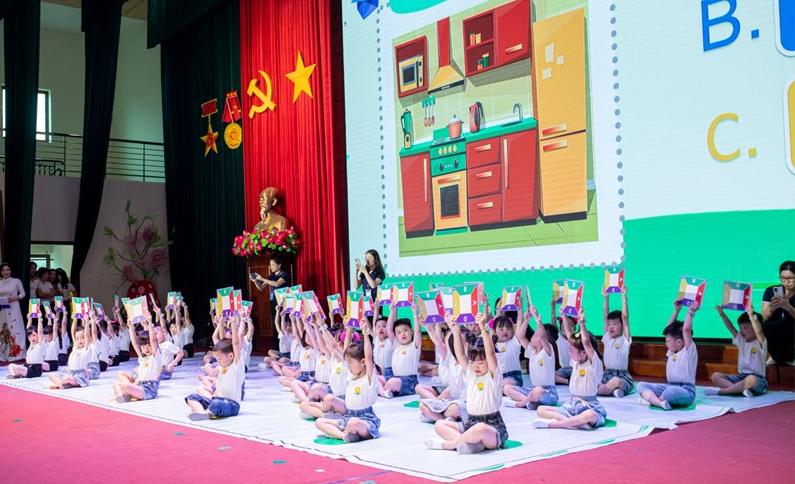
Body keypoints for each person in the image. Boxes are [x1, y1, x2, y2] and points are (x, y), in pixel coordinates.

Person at [426, 313, 509, 454]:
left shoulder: (493, 376)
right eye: (472, 362)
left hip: (491, 427)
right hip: (471, 422)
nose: (476, 366)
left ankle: (449, 445)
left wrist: (482, 328)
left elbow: (490, 354)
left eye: (480, 362)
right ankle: (472, 444)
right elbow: (460, 354)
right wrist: (455, 330)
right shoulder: (470, 374)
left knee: (480, 429)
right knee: (440, 424)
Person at [533, 309, 608, 430]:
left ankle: (554, 424)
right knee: (541, 409)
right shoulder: (576, 362)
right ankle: (575, 422)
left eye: (572, 350)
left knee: (590, 415)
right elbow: (569, 336)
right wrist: (563, 316)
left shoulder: (593, 364)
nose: (569, 352)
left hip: (589, 406)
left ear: (584, 352)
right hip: (572, 405)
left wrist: (582, 322)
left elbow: (586, 342)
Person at [314, 320, 381, 443]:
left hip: (366, 419)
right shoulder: (350, 376)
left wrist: (365, 334)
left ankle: (344, 431)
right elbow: (338, 348)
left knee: (354, 423)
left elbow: (369, 357)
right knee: (319, 422)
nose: (348, 365)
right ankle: (344, 435)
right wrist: (323, 326)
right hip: (349, 416)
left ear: (363, 362)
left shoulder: (369, 377)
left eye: (350, 362)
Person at [636, 302, 700, 410]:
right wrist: (676, 310)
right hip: (670, 386)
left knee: (671, 392)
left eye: (668, 341)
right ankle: (660, 402)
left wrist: (691, 311)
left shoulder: (688, 351)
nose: (666, 343)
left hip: (686, 391)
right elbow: (667, 329)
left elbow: (686, 330)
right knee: (641, 385)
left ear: (679, 342)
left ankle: (652, 400)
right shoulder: (672, 351)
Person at [185, 316, 246, 420]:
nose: (218, 361)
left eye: (219, 359)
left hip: (231, 405)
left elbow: (235, 344)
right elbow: (221, 339)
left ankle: (206, 412)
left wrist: (234, 325)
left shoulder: (236, 366)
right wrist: (220, 323)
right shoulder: (221, 367)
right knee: (192, 397)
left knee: (216, 404)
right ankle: (203, 413)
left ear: (231, 356)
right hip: (217, 400)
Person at [504, 306, 559, 409]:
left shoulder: (548, 350)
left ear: (540, 339)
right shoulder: (532, 351)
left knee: (538, 391)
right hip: (533, 390)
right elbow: (520, 336)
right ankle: (529, 401)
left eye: (535, 334)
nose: (532, 336)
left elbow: (543, 336)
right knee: (507, 388)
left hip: (548, 392)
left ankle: (521, 403)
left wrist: (536, 317)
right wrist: (526, 320)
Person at [711, 304, 768, 397]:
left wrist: (751, 316)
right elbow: (731, 327)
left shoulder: (760, 342)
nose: (742, 331)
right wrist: (722, 314)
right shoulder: (741, 340)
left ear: (754, 327)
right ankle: (739, 390)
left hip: (757, 379)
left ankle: (724, 391)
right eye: (740, 328)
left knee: (752, 379)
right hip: (740, 377)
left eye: (745, 328)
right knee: (715, 376)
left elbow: (759, 331)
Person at [113, 315, 161, 402]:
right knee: (119, 376)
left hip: (148, 390)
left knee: (124, 386)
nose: (146, 348)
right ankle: (125, 395)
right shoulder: (143, 357)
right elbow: (135, 343)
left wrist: (150, 324)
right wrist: (131, 327)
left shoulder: (155, 357)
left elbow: (153, 340)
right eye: (143, 346)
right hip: (140, 385)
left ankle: (125, 394)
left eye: (149, 345)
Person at [597, 286, 633, 397]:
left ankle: (609, 389)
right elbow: (605, 316)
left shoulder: (624, 339)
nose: (611, 327)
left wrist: (623, 297)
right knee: (593, 383)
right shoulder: (607, 337)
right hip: (607, 374)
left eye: (615, 324)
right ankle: (612, 391)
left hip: (622, 375)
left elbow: (625, 318)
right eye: (609, 324)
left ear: (622, 325)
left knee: (617, 382)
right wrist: (606, 297)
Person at [382, 304, 422, 397]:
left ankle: (384, 391)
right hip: (396, 377)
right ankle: (385, 392)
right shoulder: (396, 345)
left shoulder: (414, 346)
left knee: (393, 382)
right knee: (378, 378)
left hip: (409, 381)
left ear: (411, 331)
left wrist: (415, 313)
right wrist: (392, 311)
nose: (402, 334)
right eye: (399, 332)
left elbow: (418, 331)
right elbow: (389, 329)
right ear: (396, 335)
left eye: (405, 330)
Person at [762, 260, 795, 366]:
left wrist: (788, 307)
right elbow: (764, 317)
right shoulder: (771, 291)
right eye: (783, 278)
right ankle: (777, 356)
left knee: (785, 327)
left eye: (790, 278)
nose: (786, 282)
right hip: (774, 328)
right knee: (764, 326)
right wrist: (772, 308)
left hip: (792, 326)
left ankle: (781, 357)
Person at [48, 321, 91, 389]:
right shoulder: (75, 348)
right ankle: (62, 384)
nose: (80, 340)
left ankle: (57, 384)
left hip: (79, 376)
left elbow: (87, 335)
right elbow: (72, 331)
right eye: (77, 338)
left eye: (82, 338)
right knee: (51, 375)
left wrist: (87, 323)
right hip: (70, 373)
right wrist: (74, 318)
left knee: (67, 378)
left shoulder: (85, 349)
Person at [0, 263, 27, 361]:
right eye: (3, 270)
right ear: (1, 272)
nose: (6, 272)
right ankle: (4, 354)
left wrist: (16, 297)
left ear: (10, 271)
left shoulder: (16, 281)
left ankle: (17, 354)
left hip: (14, 307)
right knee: (4, 330)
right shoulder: (0, 282)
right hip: (3, 309)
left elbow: (23, 293)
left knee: (15, 328)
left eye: (8, 270)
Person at [251, 255, 290, 323]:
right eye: (270, 265)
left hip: (283, 302)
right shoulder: (271, 276)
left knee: (284, 321)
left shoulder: (284, 274)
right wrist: (255, 281)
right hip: (273, 301)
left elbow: (277, 284)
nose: (271, 267)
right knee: (275, 321)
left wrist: (262, 278)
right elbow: (261, 288)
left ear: (279, 265)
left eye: (273, 265)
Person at [7, 314, 45, 378]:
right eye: (30, 336)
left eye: (34, 335)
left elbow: (40, 332)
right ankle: (15, 376)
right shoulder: (31, 344)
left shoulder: (39, 344)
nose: (32, 338)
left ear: (38, 335)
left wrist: (40, 319)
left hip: (35, 370)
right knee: (10, 366)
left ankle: (15, 376)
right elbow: (28, 330)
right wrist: (29, 319)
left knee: (14, 366)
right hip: (28, 367)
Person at [493, 314, 524, 388]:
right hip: (499, 377)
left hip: (515, 377)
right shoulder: (493, 346)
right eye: (501, 329)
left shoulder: (514, 342)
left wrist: (520, 310)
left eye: (508, 328)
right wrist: (498, 312)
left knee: (502, 385)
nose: (505, 331)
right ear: (494, 331)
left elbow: (519, 321)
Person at [551, 293, 572, 384]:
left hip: (575, 368)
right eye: (563, 324)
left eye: (570, 325)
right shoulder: (558, 336)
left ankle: (573, 380)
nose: (565, 326)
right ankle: (568, 381)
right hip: (563, 370)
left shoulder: (575, 338)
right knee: (550, 376)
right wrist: (553, 307)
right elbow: (553, 321)